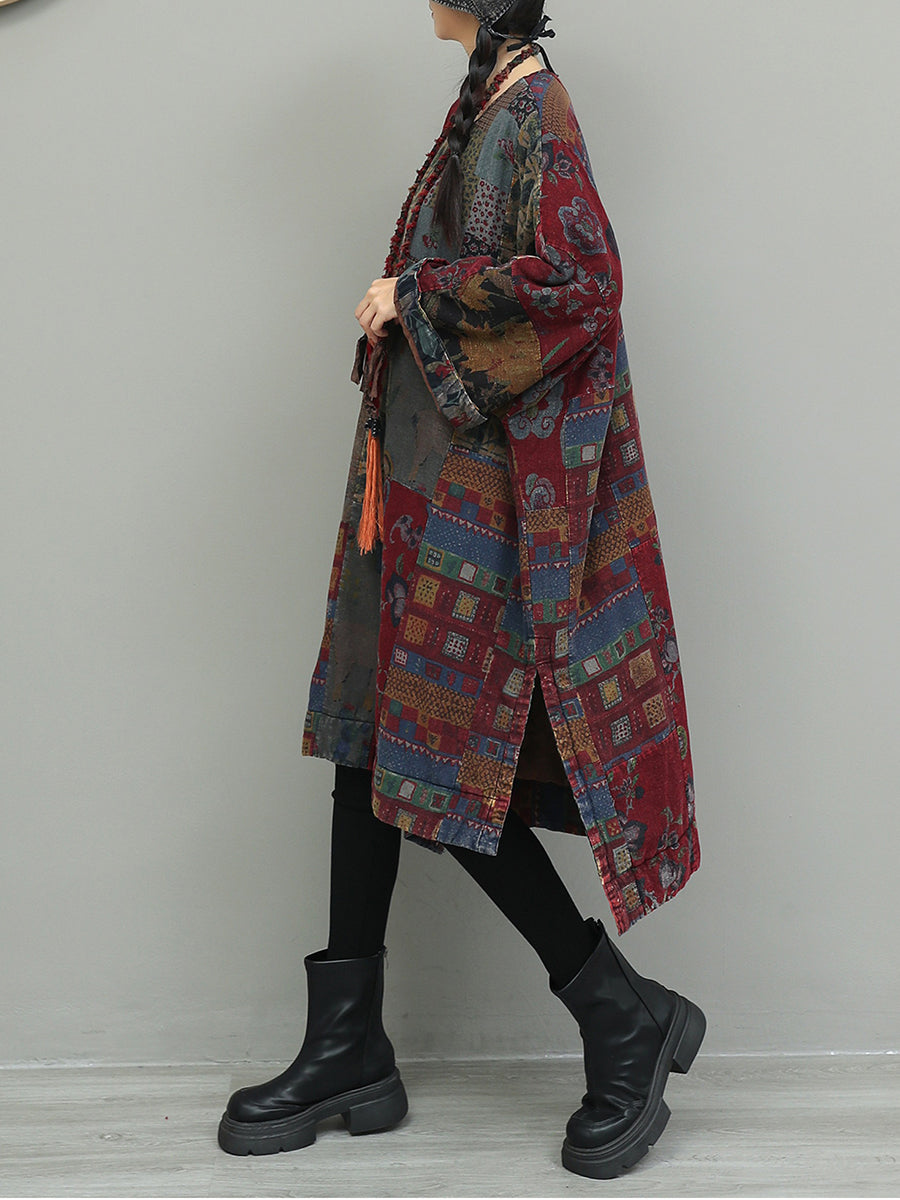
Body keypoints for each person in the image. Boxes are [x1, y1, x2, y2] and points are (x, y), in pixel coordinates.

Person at [218, 0, 705, 1180]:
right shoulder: (487, 100)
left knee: (441, 762)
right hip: (421, 487)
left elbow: (582, 284)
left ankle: (621, 1014)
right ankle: (347, 1047)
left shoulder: (534, 110)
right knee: (369, 740)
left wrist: (415, 299)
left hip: (479, 504)